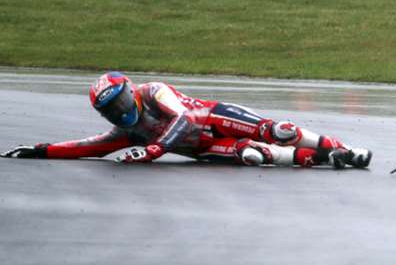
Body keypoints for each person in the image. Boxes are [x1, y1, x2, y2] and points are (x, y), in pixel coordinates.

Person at [1, 71, 372, 169]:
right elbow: (88, 147)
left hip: (214, 118)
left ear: (130, 91)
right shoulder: (128, 131)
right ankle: (329, 159)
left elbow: (183, 122)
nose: (120, 112)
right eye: (111, 111)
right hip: (204, 149)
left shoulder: (153, 91)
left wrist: (154, 149)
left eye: (121, 103)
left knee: (278, 131)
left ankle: (344, 147)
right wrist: (41, 150)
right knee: (256, 156)